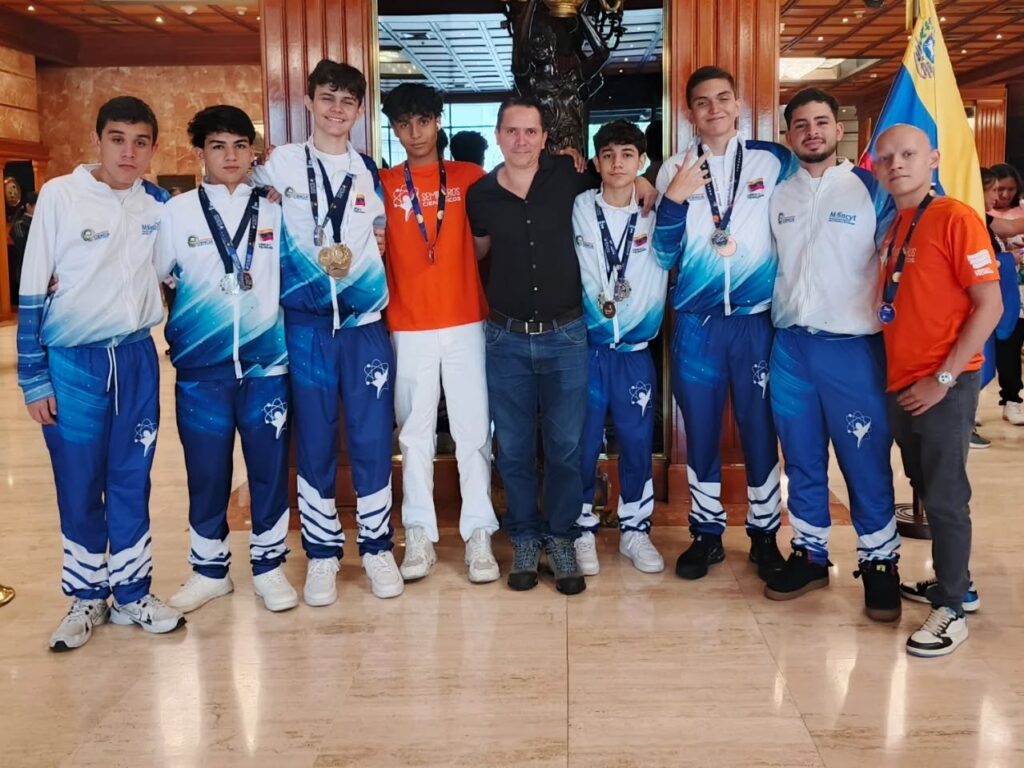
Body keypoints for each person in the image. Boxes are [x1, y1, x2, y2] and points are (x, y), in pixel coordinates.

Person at [17, 96, 185, 651]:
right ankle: (86, 596)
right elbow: (33, 286)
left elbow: (183, 262)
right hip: (74, 363)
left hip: (136, 358)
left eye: (140, 142)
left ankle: (133, 592)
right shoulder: (60, 196)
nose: (128, 152)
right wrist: (33, 376)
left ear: (153, 148)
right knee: (79, 480)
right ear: (98, 140)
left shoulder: (157, 205)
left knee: (132, 478)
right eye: (118, 139)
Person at [467, 96, 654, 594]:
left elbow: (620, 177)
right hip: (505, 337)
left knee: (566, 448)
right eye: (512, 131)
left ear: (545, 138)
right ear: (498, 135)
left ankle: (563, 537)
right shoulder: (481, 195)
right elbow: (475, 253)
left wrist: (647, 184)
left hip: (566, 336)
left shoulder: (571, 179)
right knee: (513, 448)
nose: (521, 140)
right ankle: (526, 538)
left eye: (531, 131)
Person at [252, 59, 403, 603]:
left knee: (371, 438)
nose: (337, 109)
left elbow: (381, 230)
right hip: (306, 326)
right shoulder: (279, 164)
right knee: (314, 440)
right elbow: (229, 193)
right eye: (328, 98)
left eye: (348, 101)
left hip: (365, 326)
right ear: (309, 102)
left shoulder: (369, 170)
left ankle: (377, 547)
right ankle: (321, 554)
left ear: (359, 111)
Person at [653, 66, 799, 581]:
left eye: (723, 98)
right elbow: (662, 253)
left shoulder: (773, 160)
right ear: (689, 112)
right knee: (700, 430)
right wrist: (673, 197)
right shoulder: (673, 168)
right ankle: (706, 533)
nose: (713, 109)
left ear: (738, 105)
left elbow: (810, 200)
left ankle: (764, 533)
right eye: (702, 101)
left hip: (756, 323)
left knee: (761, 428)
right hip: (697, 323)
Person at [765, 87, 901, 619]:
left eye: (821, 122)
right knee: (800, 458)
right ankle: (810, 553)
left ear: (838, 129)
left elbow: (902, 257)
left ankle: (880, 561)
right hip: (791, 347)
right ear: (789, 135)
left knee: (864, 459)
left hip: (852, 348)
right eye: (801, 125)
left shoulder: (871, 188)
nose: (812, 132)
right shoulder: (779, 194)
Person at [156, 105, 296, 615]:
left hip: (266, 366)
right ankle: (209, 571)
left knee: (268, 470)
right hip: (201, 370)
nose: (231, 156)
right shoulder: (176, 212)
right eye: (218, 146)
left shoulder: (276, 209)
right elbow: (160, 275)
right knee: (206, 471)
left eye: (240, 146)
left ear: (253, 153)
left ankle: (269, 566)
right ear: (200, 153)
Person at [873, 124, 1001, 657]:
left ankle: (950, 609)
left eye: (908, 154)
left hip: (944, 382)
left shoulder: (955, 218)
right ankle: (958, 583)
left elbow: (990, 305)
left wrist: (943, 378)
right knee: (925, 483)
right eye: (886, 158)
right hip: (904, 381)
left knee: (946, 496)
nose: (897, 164)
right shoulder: (896, 224)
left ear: (934, 159)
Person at [378, 83, 500, 584]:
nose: (414, 133)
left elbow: (499, 229)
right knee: (414, 434)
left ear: (437, 122)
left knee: (473, 430)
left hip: (467, 319)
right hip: (408, 324)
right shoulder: (383, 182)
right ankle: (419, 534)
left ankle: (479, 532)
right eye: (403, 124)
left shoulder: (471, 177)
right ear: (394, 129)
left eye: (423, 121)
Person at [572, 119, 668, 575]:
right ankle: (581, 528)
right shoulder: (577, 206)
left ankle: (635, 529)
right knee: (583, 442)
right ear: (595, 162)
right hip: (586, 350)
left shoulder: (657, 210)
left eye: (627, 154)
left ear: (642, 161)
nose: (617, 163)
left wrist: (652, 187)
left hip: (635, 351)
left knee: (636, 440)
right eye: (607, 154)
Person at [9, 191, 36, 306]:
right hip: (25, 268)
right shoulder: (19, 225)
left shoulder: (41, 222)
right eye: (37, 206)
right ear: (28, 206)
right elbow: (23, 248)